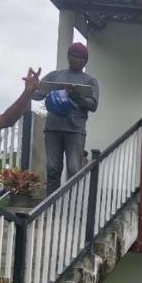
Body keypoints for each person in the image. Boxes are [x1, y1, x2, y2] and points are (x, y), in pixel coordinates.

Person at [34, 42, 99, 193]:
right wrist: (31, 86)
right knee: (52, 169)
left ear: (85, 61)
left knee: (74, 168)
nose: (76, 59)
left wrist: (77, 97)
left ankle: (71, 206)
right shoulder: (55, 76)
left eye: (80, 57)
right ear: (68, 56)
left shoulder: (89, 81)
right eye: (73, 55)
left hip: (75, 130)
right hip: (53, 128)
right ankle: (50, 206)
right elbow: (38, 94)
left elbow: (94, 105)